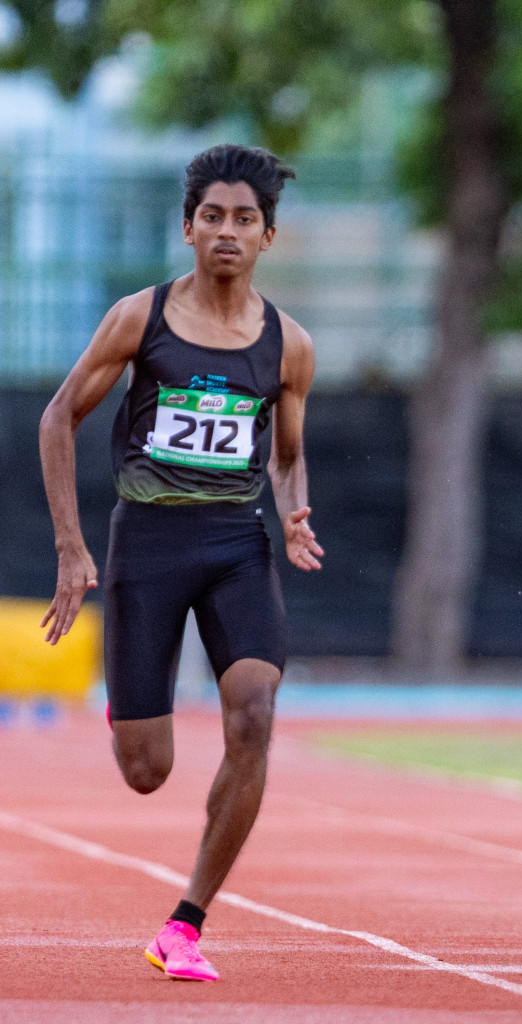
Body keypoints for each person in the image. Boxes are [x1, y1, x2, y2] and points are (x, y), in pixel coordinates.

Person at [38, 144, 321, 978]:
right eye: (212, 217)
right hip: (149, 543)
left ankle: (185, 923)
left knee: (254, 712)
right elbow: (58, 420)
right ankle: (131, 705)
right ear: (188, 227)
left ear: (268, 236)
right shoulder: (142, 317)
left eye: (244, 220)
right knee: (145, 770)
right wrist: (70, 546)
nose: (226, 232)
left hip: (237, 544)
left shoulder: (290, 345)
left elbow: (289, 452)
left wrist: (295, 513)